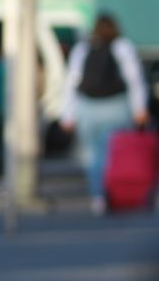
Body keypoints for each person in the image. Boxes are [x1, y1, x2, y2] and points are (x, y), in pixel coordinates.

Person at [60, 12, 148, 215]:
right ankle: (115, 191)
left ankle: (98, 196)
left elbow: (72, 82)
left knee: (92, 156)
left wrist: (68, 115)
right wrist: (140, 109)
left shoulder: (83, 48)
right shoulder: (122, 47)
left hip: (88, 108)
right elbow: (135, 80)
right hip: (116, 106)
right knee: (115, 154)